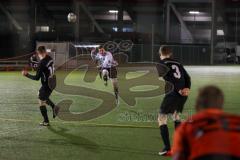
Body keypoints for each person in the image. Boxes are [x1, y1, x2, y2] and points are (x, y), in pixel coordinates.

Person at [172, 85, 240, 160]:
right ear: (221, 103)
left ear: (197, 104)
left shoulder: (185, 128)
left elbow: (178, 157)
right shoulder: (237, 122)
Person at [156, 46, 191, 156]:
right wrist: (187, 88)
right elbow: (187, 77)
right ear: (170, 54)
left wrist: (178, 89)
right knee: (176, 116)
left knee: (161, 118)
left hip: (173, 94)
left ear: (160, 53)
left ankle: (167, 148)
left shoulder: (161, 63)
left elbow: (169, 79)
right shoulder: (178, 63)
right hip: (183, 94)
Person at [22, 46, 59, 126]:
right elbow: (44, 67)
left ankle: (46, 121)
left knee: (41, 101)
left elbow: (36, 78)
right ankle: (54, 107)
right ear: (45, 51)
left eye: (38, 54)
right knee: (40, 94)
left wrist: (26, 74)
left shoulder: (41, 63)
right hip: (53, 81)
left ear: (39, 53)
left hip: (47, 84)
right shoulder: (50, 58)